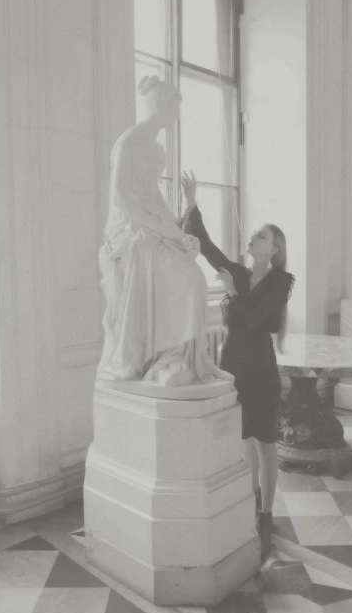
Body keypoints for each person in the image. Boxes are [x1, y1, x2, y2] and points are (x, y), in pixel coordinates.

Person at [181, 171, 294, 560]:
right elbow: (208, 248)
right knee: (243, 437)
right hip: (232, 363)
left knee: (266, 443)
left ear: (274, 249)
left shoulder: (281, 281)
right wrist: (192, 203)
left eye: (261, 236)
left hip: (260, 365)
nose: (252, 238)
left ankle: (266, 511)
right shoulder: (242, 273)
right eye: (254, 235)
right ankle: (252, 496)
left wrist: (231, 293)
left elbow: (259, 321)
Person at [96, 77, 231, 387]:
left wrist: (182, 231)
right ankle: (163, 360)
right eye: (174, 106)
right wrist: (164, 230)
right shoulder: (129, 141)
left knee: (193, 275)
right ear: (159, 105)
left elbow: (154, 197)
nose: (177, 113)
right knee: (177, 272)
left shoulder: (155, 147)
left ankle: (193, 360)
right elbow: (120, 198)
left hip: (149, 220)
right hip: (126, 228)